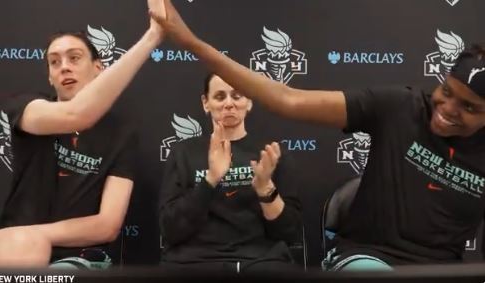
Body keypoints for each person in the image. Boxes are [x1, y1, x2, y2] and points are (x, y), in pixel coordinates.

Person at [151, 0, 485, 270]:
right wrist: (192, 44)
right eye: (446, 91)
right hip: (368, 257)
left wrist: (266, 189)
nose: (448, 109)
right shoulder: (400, 106)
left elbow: (285, 230)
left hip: (443, 269)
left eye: (469, 108)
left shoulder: (270, 155)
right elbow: (288, 99)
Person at [0, 0, 167, 268]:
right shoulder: (25, 108)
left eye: (75, 58)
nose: (64, 67)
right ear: (49, 76)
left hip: (79, 257)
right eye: (54, 62)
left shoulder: (121, 135)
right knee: (24, 246)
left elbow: (107, 226)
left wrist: (34, 235)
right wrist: (15, 238)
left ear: (99, 68)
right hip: (11, 250)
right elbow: (75, 115)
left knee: (29, 243)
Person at [159, 73, 302, 274]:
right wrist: (211, 179)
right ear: (205, 103)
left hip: (259, 262)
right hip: (194, 263)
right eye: (219, 96)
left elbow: (289, 232)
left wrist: (265, 189)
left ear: (249, 101)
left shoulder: (270, 153)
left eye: (237, 96)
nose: (229, 104)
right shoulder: (183, 153)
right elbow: (171, 229)